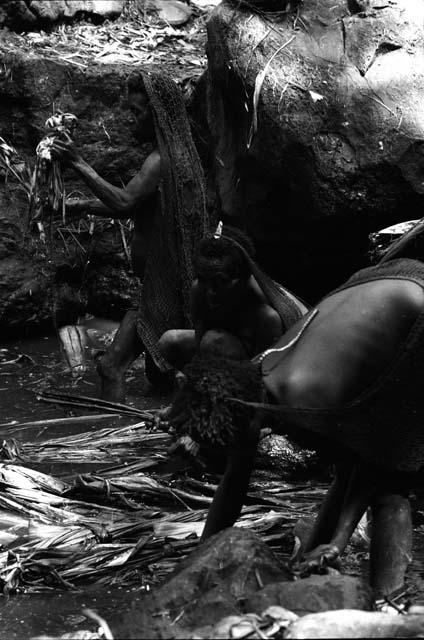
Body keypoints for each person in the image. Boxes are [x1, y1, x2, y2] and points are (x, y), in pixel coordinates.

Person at [166, 256, 424, 601]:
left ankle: (391, 602)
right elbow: (235, 480)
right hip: (376, 283)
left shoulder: (303, 396)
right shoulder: (255, 376)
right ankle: (322, 565)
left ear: (247, 417)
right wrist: (198, 561)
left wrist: (339, 541)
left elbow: (372, 463)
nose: (239, 447)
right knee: (350, 462)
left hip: (415, 314)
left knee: (392, 490)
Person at [51, 70, 209, 401]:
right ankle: (155, 429)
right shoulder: (182, 153)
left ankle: (113, 443)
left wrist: (79, 163)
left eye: (136, 113)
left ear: (157, 115)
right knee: (160, 374)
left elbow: (126, 201)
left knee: (111, 366)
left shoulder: (160, 160)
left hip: (158, 293)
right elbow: (139, 205)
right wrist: (81, 205)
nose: (129, 120)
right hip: (165, 285)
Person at [158, 223, 309, 370]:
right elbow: (200, 343)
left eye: (220, 282)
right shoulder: (199, 289)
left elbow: (264, 371)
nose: (210, 291)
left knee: (213, 342)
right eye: (204, 280)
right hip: (220, 354)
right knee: (170, 341)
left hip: (258, 365)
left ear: (242, 278)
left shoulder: (265, 313)